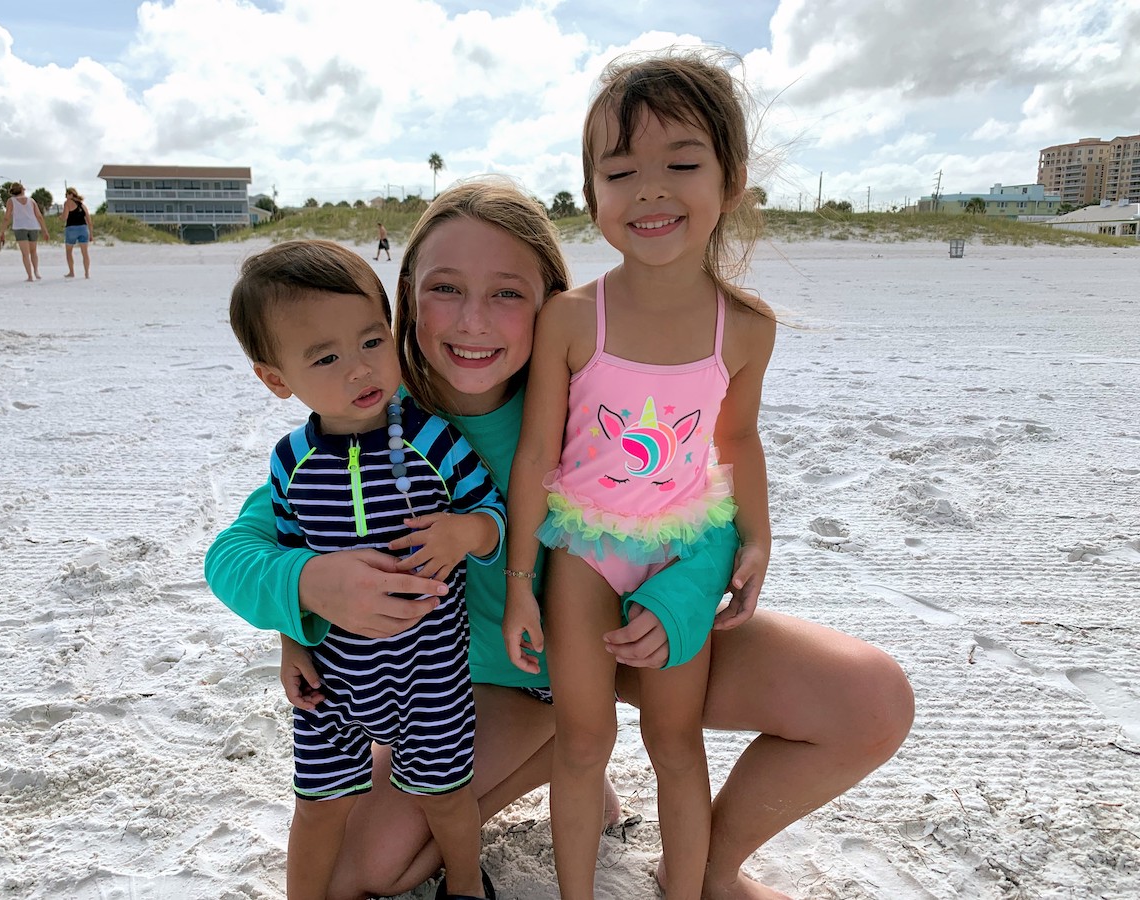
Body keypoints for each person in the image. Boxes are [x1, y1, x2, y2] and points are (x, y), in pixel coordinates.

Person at [205, 177, 915, 900]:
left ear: (553, 302)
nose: (474, 321)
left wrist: (684, 588)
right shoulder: (378, 425)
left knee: (869, 702)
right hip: (492, 686)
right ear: (407, 296)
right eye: (445, 289)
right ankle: (570, 755)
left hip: (632, 641)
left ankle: (705, 866)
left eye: (508, 294)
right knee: (361, 870)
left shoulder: (597, 394)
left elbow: (698, 489)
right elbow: (236, 552)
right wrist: (307, 588)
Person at [501, 49, 776, 900]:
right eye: (622, 172)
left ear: (729, 181)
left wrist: (759, 538)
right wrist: (520, 583)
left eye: (681, 164)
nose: (651, 190)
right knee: (583, 743)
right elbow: (536, 457)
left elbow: (741, 442)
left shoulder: (748, 328)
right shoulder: (574, 318)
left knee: (676, 742)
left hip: (681, 549)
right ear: (593, 197)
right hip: (583, 547)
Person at [228, 239, 505, 900]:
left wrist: (464, 531)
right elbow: (289, 558)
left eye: (372, 341)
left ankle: (465, 886)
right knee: (320, 806)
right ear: (276, 378)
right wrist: (292, 639)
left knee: (446, 797)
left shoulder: (432, 439)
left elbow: (495, 515)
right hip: (332, 679)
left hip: (429, 675)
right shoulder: (290, 462)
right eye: (326, 357)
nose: (360, 369)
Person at [0, 183, 50, 282]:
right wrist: (45, 231)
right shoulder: (31, 201)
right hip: (33, 227)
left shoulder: (11, 201)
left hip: (20, 228)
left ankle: (30, 276)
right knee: (33, 251)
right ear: (22, 190)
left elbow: (6, 217)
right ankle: (36, 272)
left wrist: (2, 232)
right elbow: (39, 216)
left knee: (25, 254)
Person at [60, 187, 93, 278]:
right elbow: (89, 220)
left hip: (71, 228)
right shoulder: (82, 205)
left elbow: (65, 217)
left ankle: (71, 272)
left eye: (66, 194)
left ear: (71, 195)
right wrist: (91, 234)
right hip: (83, 228)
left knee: (69, 251)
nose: (66, 197)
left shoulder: (67, 203)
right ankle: (86, 273)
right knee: (85, 253)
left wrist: (60, 217)